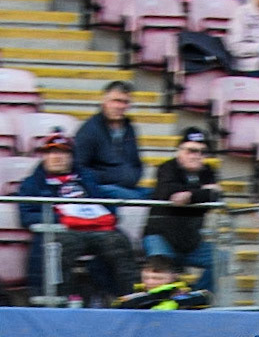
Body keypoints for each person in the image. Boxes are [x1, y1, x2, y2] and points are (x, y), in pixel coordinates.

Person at [16, 130, 141, 305]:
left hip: (96, 229)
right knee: (61, 246)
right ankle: (59, 301)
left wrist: (106, 215)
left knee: (118, 241)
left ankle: (129, 298)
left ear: (71, 156)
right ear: (44, 156)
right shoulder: (32, 184)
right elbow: (27, 216)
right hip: (62, 230)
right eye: (51, 152)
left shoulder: (87, 178)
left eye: (63, 152)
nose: (57, 157)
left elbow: (107, 204)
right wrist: (60, 217)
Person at [144, 127, 220, 296]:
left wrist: (189, 195)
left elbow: (215, 197)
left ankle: (195, 298)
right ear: (180, 151)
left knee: (221, 259)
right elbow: (168, 193)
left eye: (202, 152)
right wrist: (202, 191)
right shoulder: (167, 168)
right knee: (160, 272)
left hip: (190, 241)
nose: (197, 156)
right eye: (191, 150)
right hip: (161, 237)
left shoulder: (207, 171)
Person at [73, 81, 144, 200]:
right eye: (116, 101)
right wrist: (114, 177)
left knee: (158, 196)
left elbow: (136, 162)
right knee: (140, 199)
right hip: (101, 189)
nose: (120, 106)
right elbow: (79, 167)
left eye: (125, 102)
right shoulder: (89, 130)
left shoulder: (129, 128)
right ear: (104, 101)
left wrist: (132, 176)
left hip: (130, 187)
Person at [117, 253, 211, 309]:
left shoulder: (187, 297)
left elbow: (204, 298)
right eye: (146, 278)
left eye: (157, 278)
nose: (150, 282)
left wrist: (169, 294)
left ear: (173, 277)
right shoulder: (135, 299)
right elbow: (119, 305)